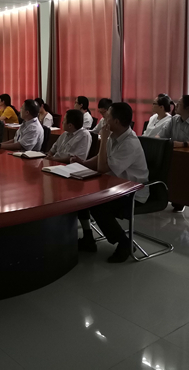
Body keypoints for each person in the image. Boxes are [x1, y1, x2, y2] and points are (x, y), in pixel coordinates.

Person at [72, 102, 149, 263]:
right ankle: (88, 238)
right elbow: (101, 158)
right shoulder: (115, 135)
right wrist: (83, 163)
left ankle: (124, 243)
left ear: (116, 121)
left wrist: (103, 138)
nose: (104, 119)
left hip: (132, 192)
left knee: (97, 205)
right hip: (114, 185)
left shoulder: (129, 143)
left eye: (107, 117)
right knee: (80, 195)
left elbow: (102, 167)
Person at [157, 95, 189, 213]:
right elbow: (160, 136)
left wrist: (183, 144)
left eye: (179, 104)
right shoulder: (174, 120)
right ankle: (167, 196)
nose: (175, 105)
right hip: (176, 157)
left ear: (188, 108)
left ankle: (180, 198)